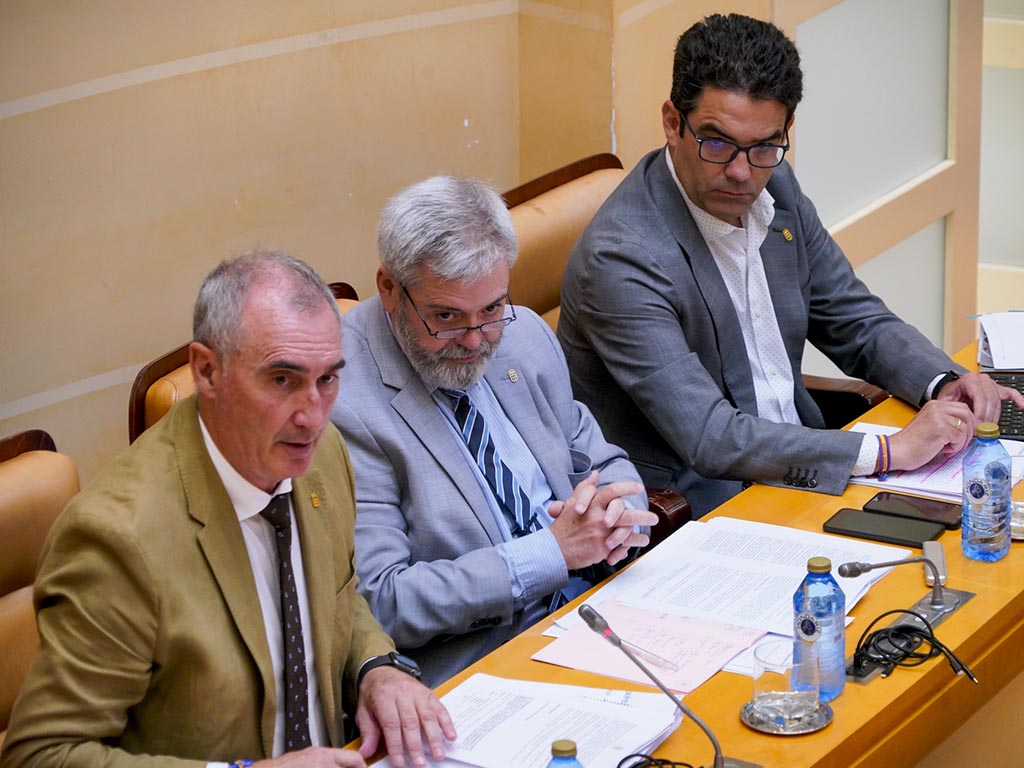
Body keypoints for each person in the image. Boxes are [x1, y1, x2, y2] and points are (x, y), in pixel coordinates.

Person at [557, 13, 1024, 518]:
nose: (740, 171)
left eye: (764, 146)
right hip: (698, 508)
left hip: (806, 472)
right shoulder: (621, 257)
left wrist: (945, 382)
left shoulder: (775, 184)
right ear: (672, 123)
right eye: (717, 143)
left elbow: (854, 319)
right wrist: (889, 452)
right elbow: (710, 436)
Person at [0, 252, 455, 768]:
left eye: (328, 379)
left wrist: (377, 668)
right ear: (207, 370)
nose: (312, 416)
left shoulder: (321, 457)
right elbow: (40, 756)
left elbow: (338, 595)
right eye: (282, 379)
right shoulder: (117, 538)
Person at [331, 176, 656, 687]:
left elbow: (599, 458)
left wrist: (616, 516)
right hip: (486, 662)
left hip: (602, 609)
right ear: (389, 289)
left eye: (490, 310)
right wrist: (552, 552)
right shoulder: (344, 403)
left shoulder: (521, 333)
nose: (478, 340)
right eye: (447, 318)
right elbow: (382, 602)